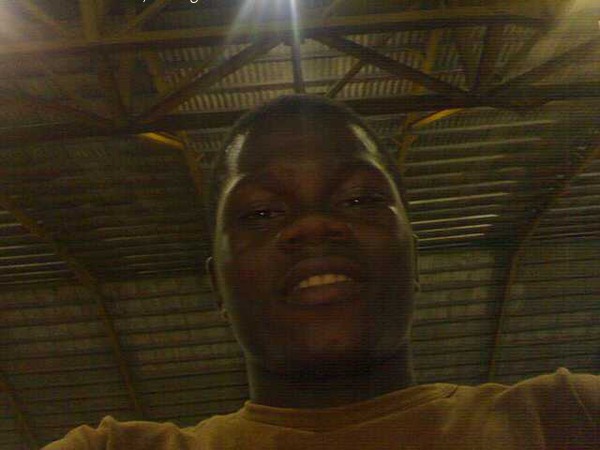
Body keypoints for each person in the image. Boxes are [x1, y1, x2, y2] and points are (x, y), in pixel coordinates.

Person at [44, 95, 598, 449]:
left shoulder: (564, 418)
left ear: (413, 256)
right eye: (261, 213)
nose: (313, 226)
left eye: (359, 200)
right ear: (217, 285)